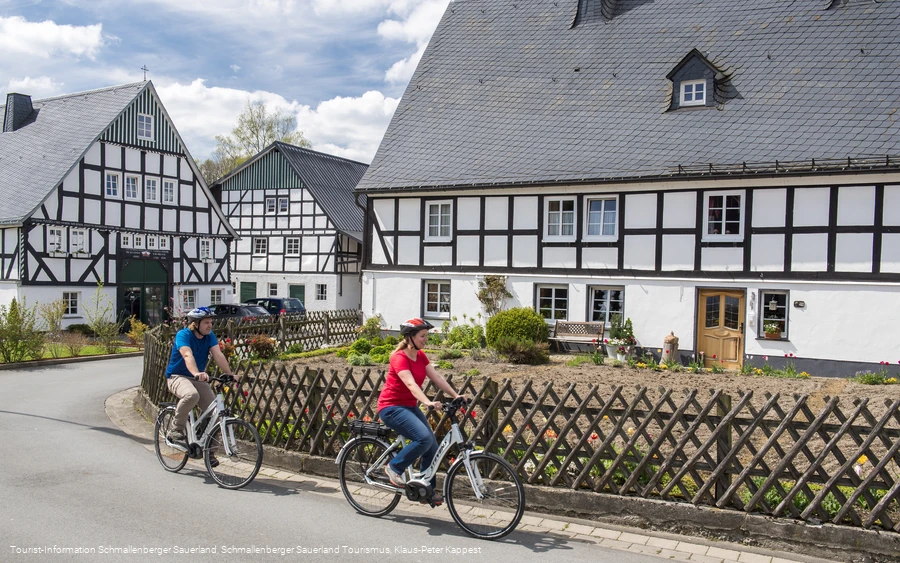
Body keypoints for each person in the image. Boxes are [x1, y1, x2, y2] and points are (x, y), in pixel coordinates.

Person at [377, 318, 462, 506]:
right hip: (391, 407)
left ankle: (426, 490)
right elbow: (410, 383)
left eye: (426, 336)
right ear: (410, 338)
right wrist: (427, 402)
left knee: (431, 445)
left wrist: (456, 395)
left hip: (409, 406)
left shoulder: (421, 356)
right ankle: (393, 467)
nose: (426, 339)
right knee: (423, 438)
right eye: (422, 336)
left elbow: (436, 377)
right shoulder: (399, 357)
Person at [164, 307, 236, 451]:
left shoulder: (209, 336)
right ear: (195, 324)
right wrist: (197, 372)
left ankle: (210, 452)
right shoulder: (183, 335)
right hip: (177, 376)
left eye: (211, 322)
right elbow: (187, 355)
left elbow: (218, 355)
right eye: (206, 323)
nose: (210, 325)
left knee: (216, 413)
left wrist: (229, 374)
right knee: (191, 395)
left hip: (197, 378)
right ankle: (176, 430)